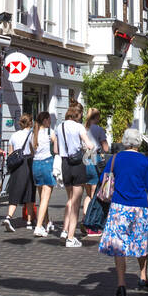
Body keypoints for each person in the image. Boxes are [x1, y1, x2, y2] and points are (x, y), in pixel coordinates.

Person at [99, 127, 148, 296]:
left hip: (119, 206)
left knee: (119, 246)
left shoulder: (115, 158)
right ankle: (143, 277)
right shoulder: (144, 161)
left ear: (125, 141)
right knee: (140, 242)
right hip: (139, 207)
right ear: (139, 142)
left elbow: (102, 179)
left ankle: (121, 284)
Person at [56, 103, 95, 247]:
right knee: (76, 202)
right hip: (77, 164)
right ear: (78, 115)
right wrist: (87, 150)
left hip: (65, 163)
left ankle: (64, 231)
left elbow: (56, 148)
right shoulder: (79, 127)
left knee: (70, 199)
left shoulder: (59, 127)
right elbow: (90, 145)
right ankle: (71, 237)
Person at [2, 114, 37, 232]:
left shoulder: (14, 135)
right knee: (30, 192)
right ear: (30, 122)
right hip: (28, 163)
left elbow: (10, 152)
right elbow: (33, 151)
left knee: (15, 193)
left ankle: (9, 216)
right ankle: (28, 221)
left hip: (16, 165)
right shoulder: (31, 135)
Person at [82, 107, 111, 233]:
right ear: (97, 117)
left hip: (84, 158)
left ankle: (84, 218)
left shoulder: (83, 128)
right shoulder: (98, 129)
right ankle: (90, 221)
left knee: (88, 194)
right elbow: (105, 147)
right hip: (95, 158)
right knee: (95, 192)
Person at [31, 111, 56, 236]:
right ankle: (38, 226)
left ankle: (47, 223)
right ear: (45, 120)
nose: (50, 122)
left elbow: (31, 151)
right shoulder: (49, 132)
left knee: (42, 198)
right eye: (49, 119)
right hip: (47, 163)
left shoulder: (33, 133)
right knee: (45, 199)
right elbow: (56, 148)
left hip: (35, 165)